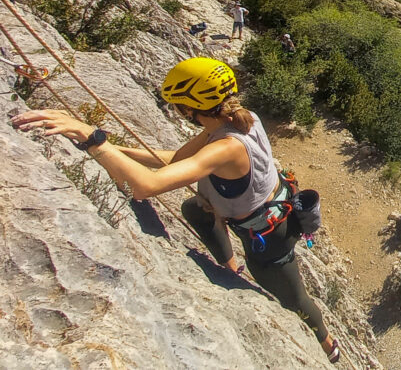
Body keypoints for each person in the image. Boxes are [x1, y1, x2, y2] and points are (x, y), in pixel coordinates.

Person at [11, 58, 344, 363]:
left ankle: (329, 346)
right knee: (194, 209)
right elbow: (175, 161)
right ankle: (230, 266)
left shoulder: (226, 146)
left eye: (179, 107)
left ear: (190, 109)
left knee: (294, 299)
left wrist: (91, 139)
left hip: (271, 237)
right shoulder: (240, 120)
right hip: (268, 212)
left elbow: (146, 186)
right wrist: (112, 147)